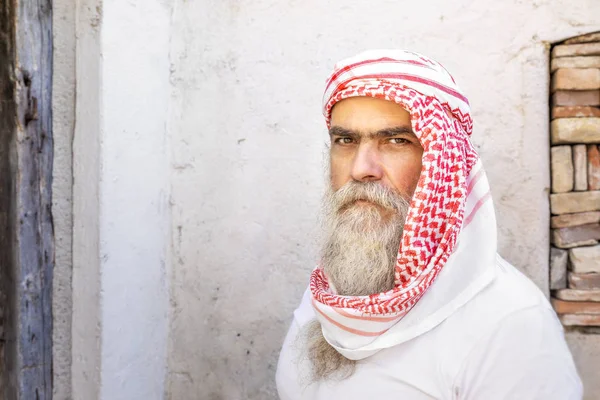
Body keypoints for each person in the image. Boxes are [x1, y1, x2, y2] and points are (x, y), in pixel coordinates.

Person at [276, 50, 582, 399]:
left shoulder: (511, 323)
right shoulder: (329, 287)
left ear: (442, 164)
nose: (361, 168)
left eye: (396, 141)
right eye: (346, 140)